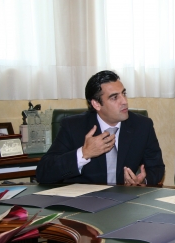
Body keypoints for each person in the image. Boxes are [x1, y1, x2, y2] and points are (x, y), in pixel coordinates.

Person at [36, 70, 165, 186]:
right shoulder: (73, 127)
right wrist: (84, 153)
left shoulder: (142, 125)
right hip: (85, 202)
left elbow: (156, 167)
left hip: (125, 202)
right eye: (115, 97)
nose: (124, 101)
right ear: (96, 104)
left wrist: (142, 180)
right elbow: (43, 173)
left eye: (123, 94)